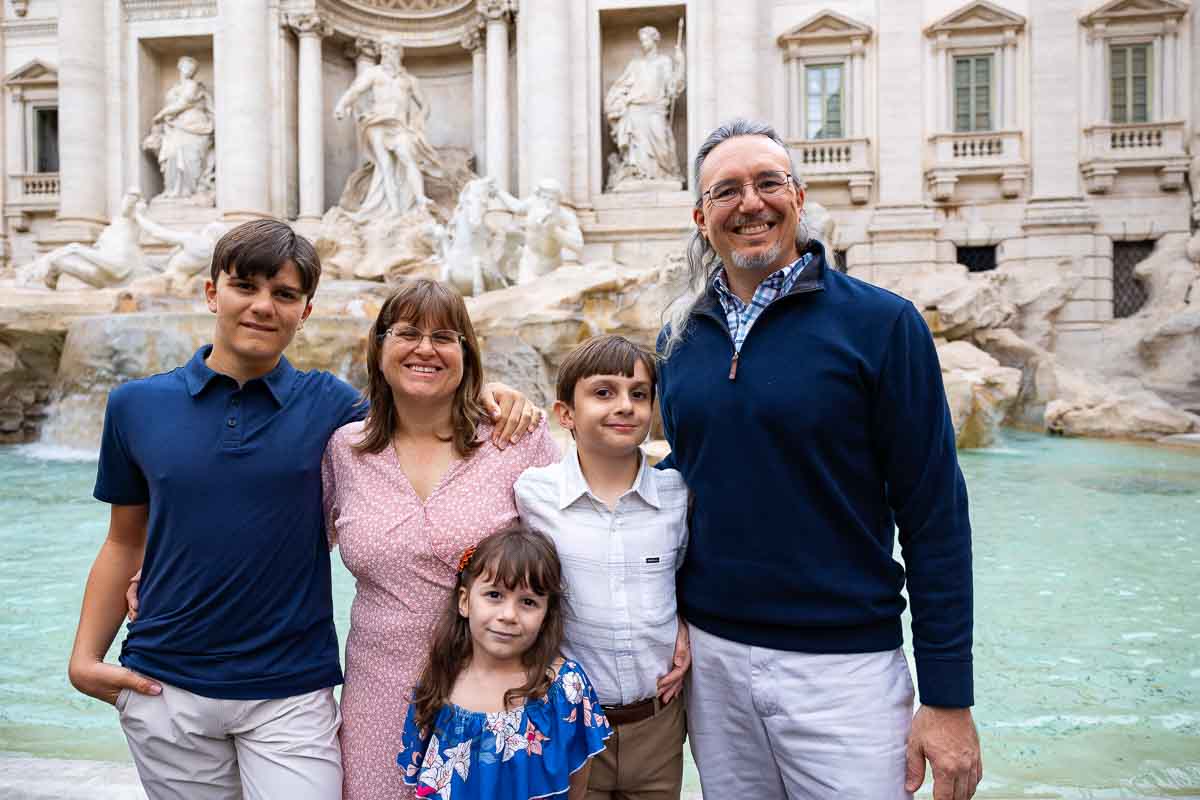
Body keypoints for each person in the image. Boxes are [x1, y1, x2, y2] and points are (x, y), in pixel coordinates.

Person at [68, 220, 539, 800]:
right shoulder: (134, 406)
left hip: (291, 689)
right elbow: (124, 541)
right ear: (212, 291)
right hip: (164, 683)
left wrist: (494, 395)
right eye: (245, 286)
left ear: (306, 310)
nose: (263, 306)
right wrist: (85, 658)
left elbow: (421, 398)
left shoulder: (334, 412)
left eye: (284, 294)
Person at [656, 119, 982, 799]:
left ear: (799, 197)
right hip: (712, 667)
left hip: (846, 669)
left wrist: (948, 698)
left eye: (768, 182)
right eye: (727, 190)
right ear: (700, 216)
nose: (751, 202)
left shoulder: (883, 325)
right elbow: (684, 484)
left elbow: (935, 517)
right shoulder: (680, 339)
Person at [321, 279, 560, 800]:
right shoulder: (346, 450)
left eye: (444, 336)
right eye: (407, 333)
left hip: (494, 688)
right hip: (377, 690)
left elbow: (575, 550)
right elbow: (290, 551)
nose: (425, 348)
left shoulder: (514, 438)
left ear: (466, 354)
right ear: (379, 348)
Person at [515, 335, 691, 800]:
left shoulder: (676, 494)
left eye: (639, 394)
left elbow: (692, 575)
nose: (625, 406)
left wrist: (687, 625)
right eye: (603, 392)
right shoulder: (532, 494)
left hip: (658, 722)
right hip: (570, 725)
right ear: (565, 414)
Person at [398, 524, 611, 800]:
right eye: (494, 595)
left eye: (528, 602)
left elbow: (578, 785)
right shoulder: (439, 678)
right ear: (464, 601)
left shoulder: (565, 687)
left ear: (546, 614)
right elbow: (420, 782)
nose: (508, 614)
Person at [333, 37, 443, 218]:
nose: (385, 53)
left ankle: (420, 199)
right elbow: (355, 91)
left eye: (390, 49)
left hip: (399, 126)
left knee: (408, 157)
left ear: (398, 52)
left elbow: (425, 105)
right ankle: (394, 210)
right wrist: (341, 105)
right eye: (383, 49)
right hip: (377, 123)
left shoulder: (409, 80)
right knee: (385, 165)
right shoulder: (374, 73)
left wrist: (418, 121)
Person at [604, 25, 685, 190]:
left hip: (655, 109)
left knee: (661, 143)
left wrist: (681, 63)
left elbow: (672, 87)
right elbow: (620, 86)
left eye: (646, 39)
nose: (643, 43)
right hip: (635, 110)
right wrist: (616, 102)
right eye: (642, 40)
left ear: (655, 40)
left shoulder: (664, 62)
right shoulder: (635, 65)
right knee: (638, 149)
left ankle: (664, 174)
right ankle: (640, 174)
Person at [142, 55, 215, 202]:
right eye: (187, 66)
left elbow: (184, 103)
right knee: (172, 154)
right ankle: (173, 190)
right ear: (180, 67)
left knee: (191, 157)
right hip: (175, 127)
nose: (189, 70)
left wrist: (162, 114)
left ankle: (191, 191)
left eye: (192, 69)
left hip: (195, 125)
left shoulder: (192, 85)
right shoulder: (175, 88)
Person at [41, 189, 145, 290]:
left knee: (89, 269)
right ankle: (58, 265)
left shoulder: (133, 217)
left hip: (119, 267)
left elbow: (128, 211)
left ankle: (58, 264)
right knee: (88, 269)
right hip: (112, 268)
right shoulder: (119, 226)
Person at [493, 178, 583, 285]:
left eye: (552, 199)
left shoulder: (566, 216)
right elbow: (517, 207)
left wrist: (554, 230)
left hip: (551, 268)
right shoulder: (532, 204)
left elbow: (578, 245)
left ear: (559, 201)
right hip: (529, 263)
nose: (547, 202)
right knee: (525, 295)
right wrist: (498, 191)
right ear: (538, 196)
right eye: (544, 197)